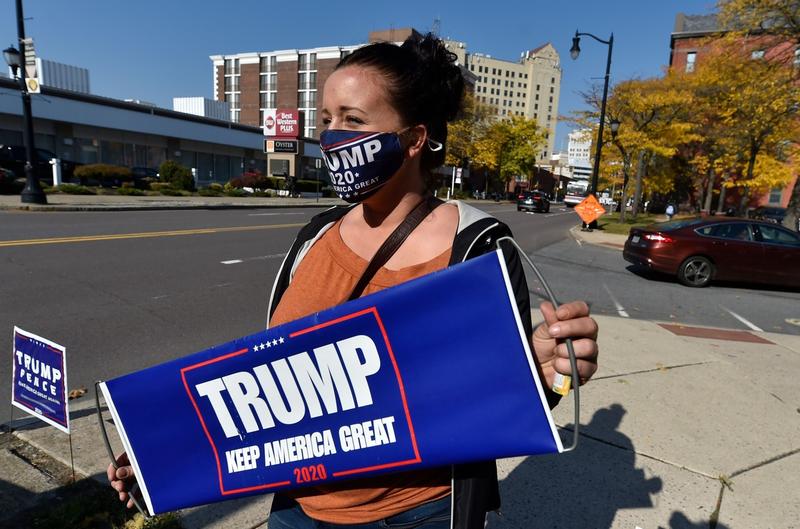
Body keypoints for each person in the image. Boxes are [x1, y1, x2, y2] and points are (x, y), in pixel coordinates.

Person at [108, 33, 599, 529]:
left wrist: (550, 372)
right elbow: (265, 385)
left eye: (353, 120)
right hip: (295, 509)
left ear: (413, 139)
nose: (332, 136)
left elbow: (505, 400)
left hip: (411, 515)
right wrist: (157, 456)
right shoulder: (314, 236)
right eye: (327, 120)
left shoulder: (476, 248)